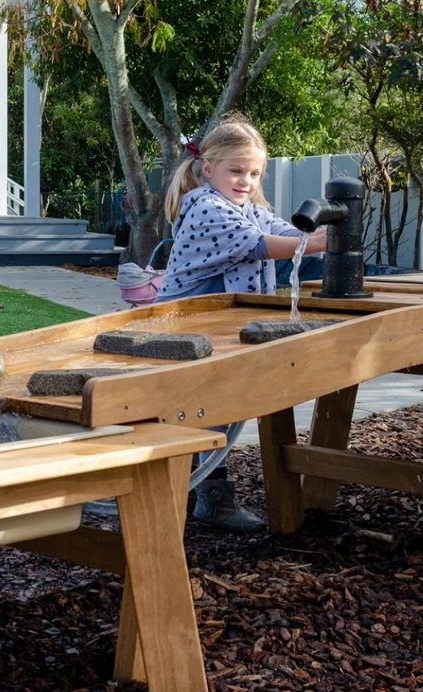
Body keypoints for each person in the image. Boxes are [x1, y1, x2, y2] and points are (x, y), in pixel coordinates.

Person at [155, 113, 326, 533]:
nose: (246, 181)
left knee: (217, 409)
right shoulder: (205, 208)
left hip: (215, 329)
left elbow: (281, 229)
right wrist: (317, 241)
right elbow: (260, 245)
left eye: (254, 173)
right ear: (208, 169)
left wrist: (316, 236)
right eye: (236, 171)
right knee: (205, 411)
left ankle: (198, 492)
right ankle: (198, 495)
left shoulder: (249, 208)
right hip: (183, 328)